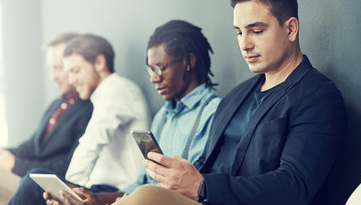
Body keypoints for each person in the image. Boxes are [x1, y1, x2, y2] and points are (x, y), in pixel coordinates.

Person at [103, 0, 347, 205]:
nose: (245, 44)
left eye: (257, 31)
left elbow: (294, 185)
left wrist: (202, 186)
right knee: (141, 194)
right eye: (239, 32)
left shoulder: (317, 96)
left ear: (291, 29)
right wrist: (180, 177)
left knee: (145, 196)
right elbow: (207, 164)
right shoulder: (236, 97)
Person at [12, 20, 222, 205]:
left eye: (160, 68)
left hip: (158, 199)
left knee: (33, 180)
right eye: (150, 70)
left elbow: (196, 187)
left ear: (189, 62)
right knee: (40, 185)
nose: (153, 78)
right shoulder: (163, 117)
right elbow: (139, 185)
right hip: (135, 195)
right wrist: (86, 197)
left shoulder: (215, 112)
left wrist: (79, 188)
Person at [7, 33, 150, 205]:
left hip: (117, 190)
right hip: (98, 186)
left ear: (99, 62)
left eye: (75, 71)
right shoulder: (100, 97)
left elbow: (93, 141)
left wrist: (69, 189)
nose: (72, 80)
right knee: (37, 184)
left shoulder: (118, 88)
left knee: (32, 182)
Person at [0, 33, 93, 204]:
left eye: (58, 68)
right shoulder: (57, 104)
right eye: (51, 68)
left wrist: (15, 164)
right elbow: (33, 146)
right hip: (27, 176)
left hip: (42, 185)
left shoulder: (87, 108)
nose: (52, 76)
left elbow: (70, 166)